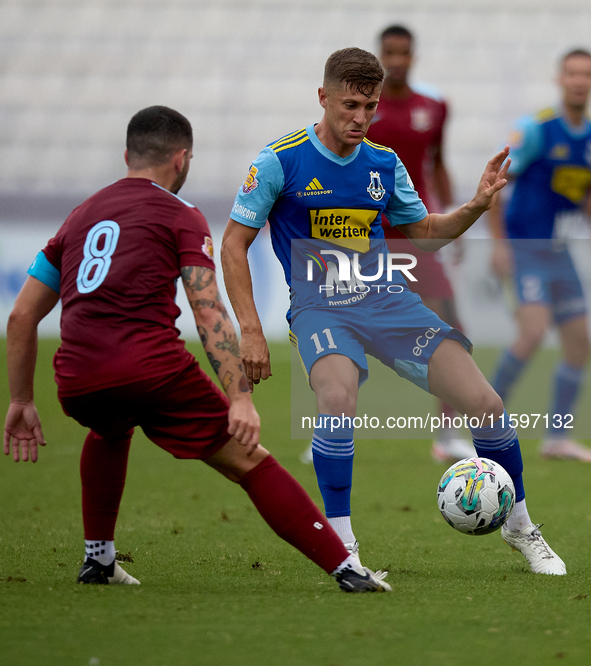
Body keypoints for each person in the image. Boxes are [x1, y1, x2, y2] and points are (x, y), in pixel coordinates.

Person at [3, 105, 390, 593]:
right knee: (251, 461)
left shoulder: (81, 215)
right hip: (153, 371)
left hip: (77, 378)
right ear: (182, 160)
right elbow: (208, 312)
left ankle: (98, 560)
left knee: (109, 426)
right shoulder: (179, 215)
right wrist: (240, 397)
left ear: (128, 155)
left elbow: (20, 316)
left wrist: (20, 401)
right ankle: (347, 569)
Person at [221, 47, 566, 576]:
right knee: (337, 397)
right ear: (323, 98)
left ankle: (520, 526)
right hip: (320, 307)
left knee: (487, 403)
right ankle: (343, 547)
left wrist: (474, 206)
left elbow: (424, 234)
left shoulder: (383, 163)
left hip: (388, 303)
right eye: (350, 105)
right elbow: (233, 244)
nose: (360, 118)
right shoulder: (279, 160)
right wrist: (249, 328)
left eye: (370, 106)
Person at [366, 23, 472, 463]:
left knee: (449, 328)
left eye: (403, 53)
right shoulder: (361, 107)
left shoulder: (434, 106)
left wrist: (451, 218)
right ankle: (330, 434)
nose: (396, 61)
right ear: (379, 55)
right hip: (365, 235)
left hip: (415, 232)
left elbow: (439, 163)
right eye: (388, 53)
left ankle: (446, 434)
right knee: (339, 331)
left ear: (414, 56)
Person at [489, 49, 591, 462]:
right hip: (526, 249)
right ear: (559, 79)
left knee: (580, 342)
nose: (579, 80)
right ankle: (485, 416)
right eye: (572, 73)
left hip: (559, 252)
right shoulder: (535, 130)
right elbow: (496, 181)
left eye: (586, 74)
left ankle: (557, 437)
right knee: (531, 333)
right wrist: (498, 245)